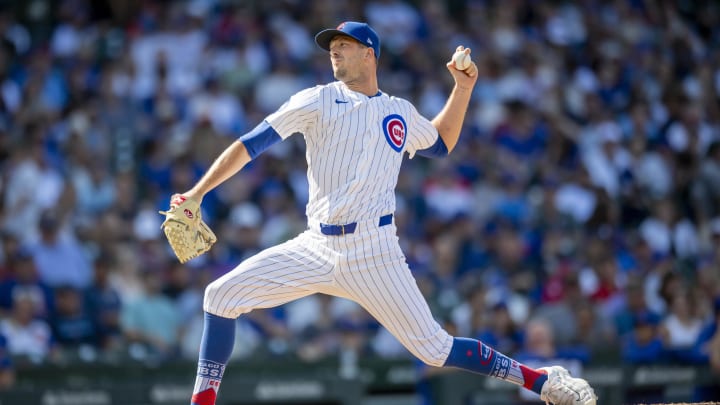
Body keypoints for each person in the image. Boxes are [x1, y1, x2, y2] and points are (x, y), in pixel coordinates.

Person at [173, 21, 597, 405]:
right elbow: (252, 143)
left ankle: (542, 381)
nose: (334, 52)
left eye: (344, 45)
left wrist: (463, 89)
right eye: (331, 47)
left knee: (435, 349)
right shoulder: (316, 100)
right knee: (220, 297)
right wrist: (196, 193)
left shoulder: (397, 111)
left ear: (369, 54)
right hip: (315, 245)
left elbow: (440, 144)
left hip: (374, 251)